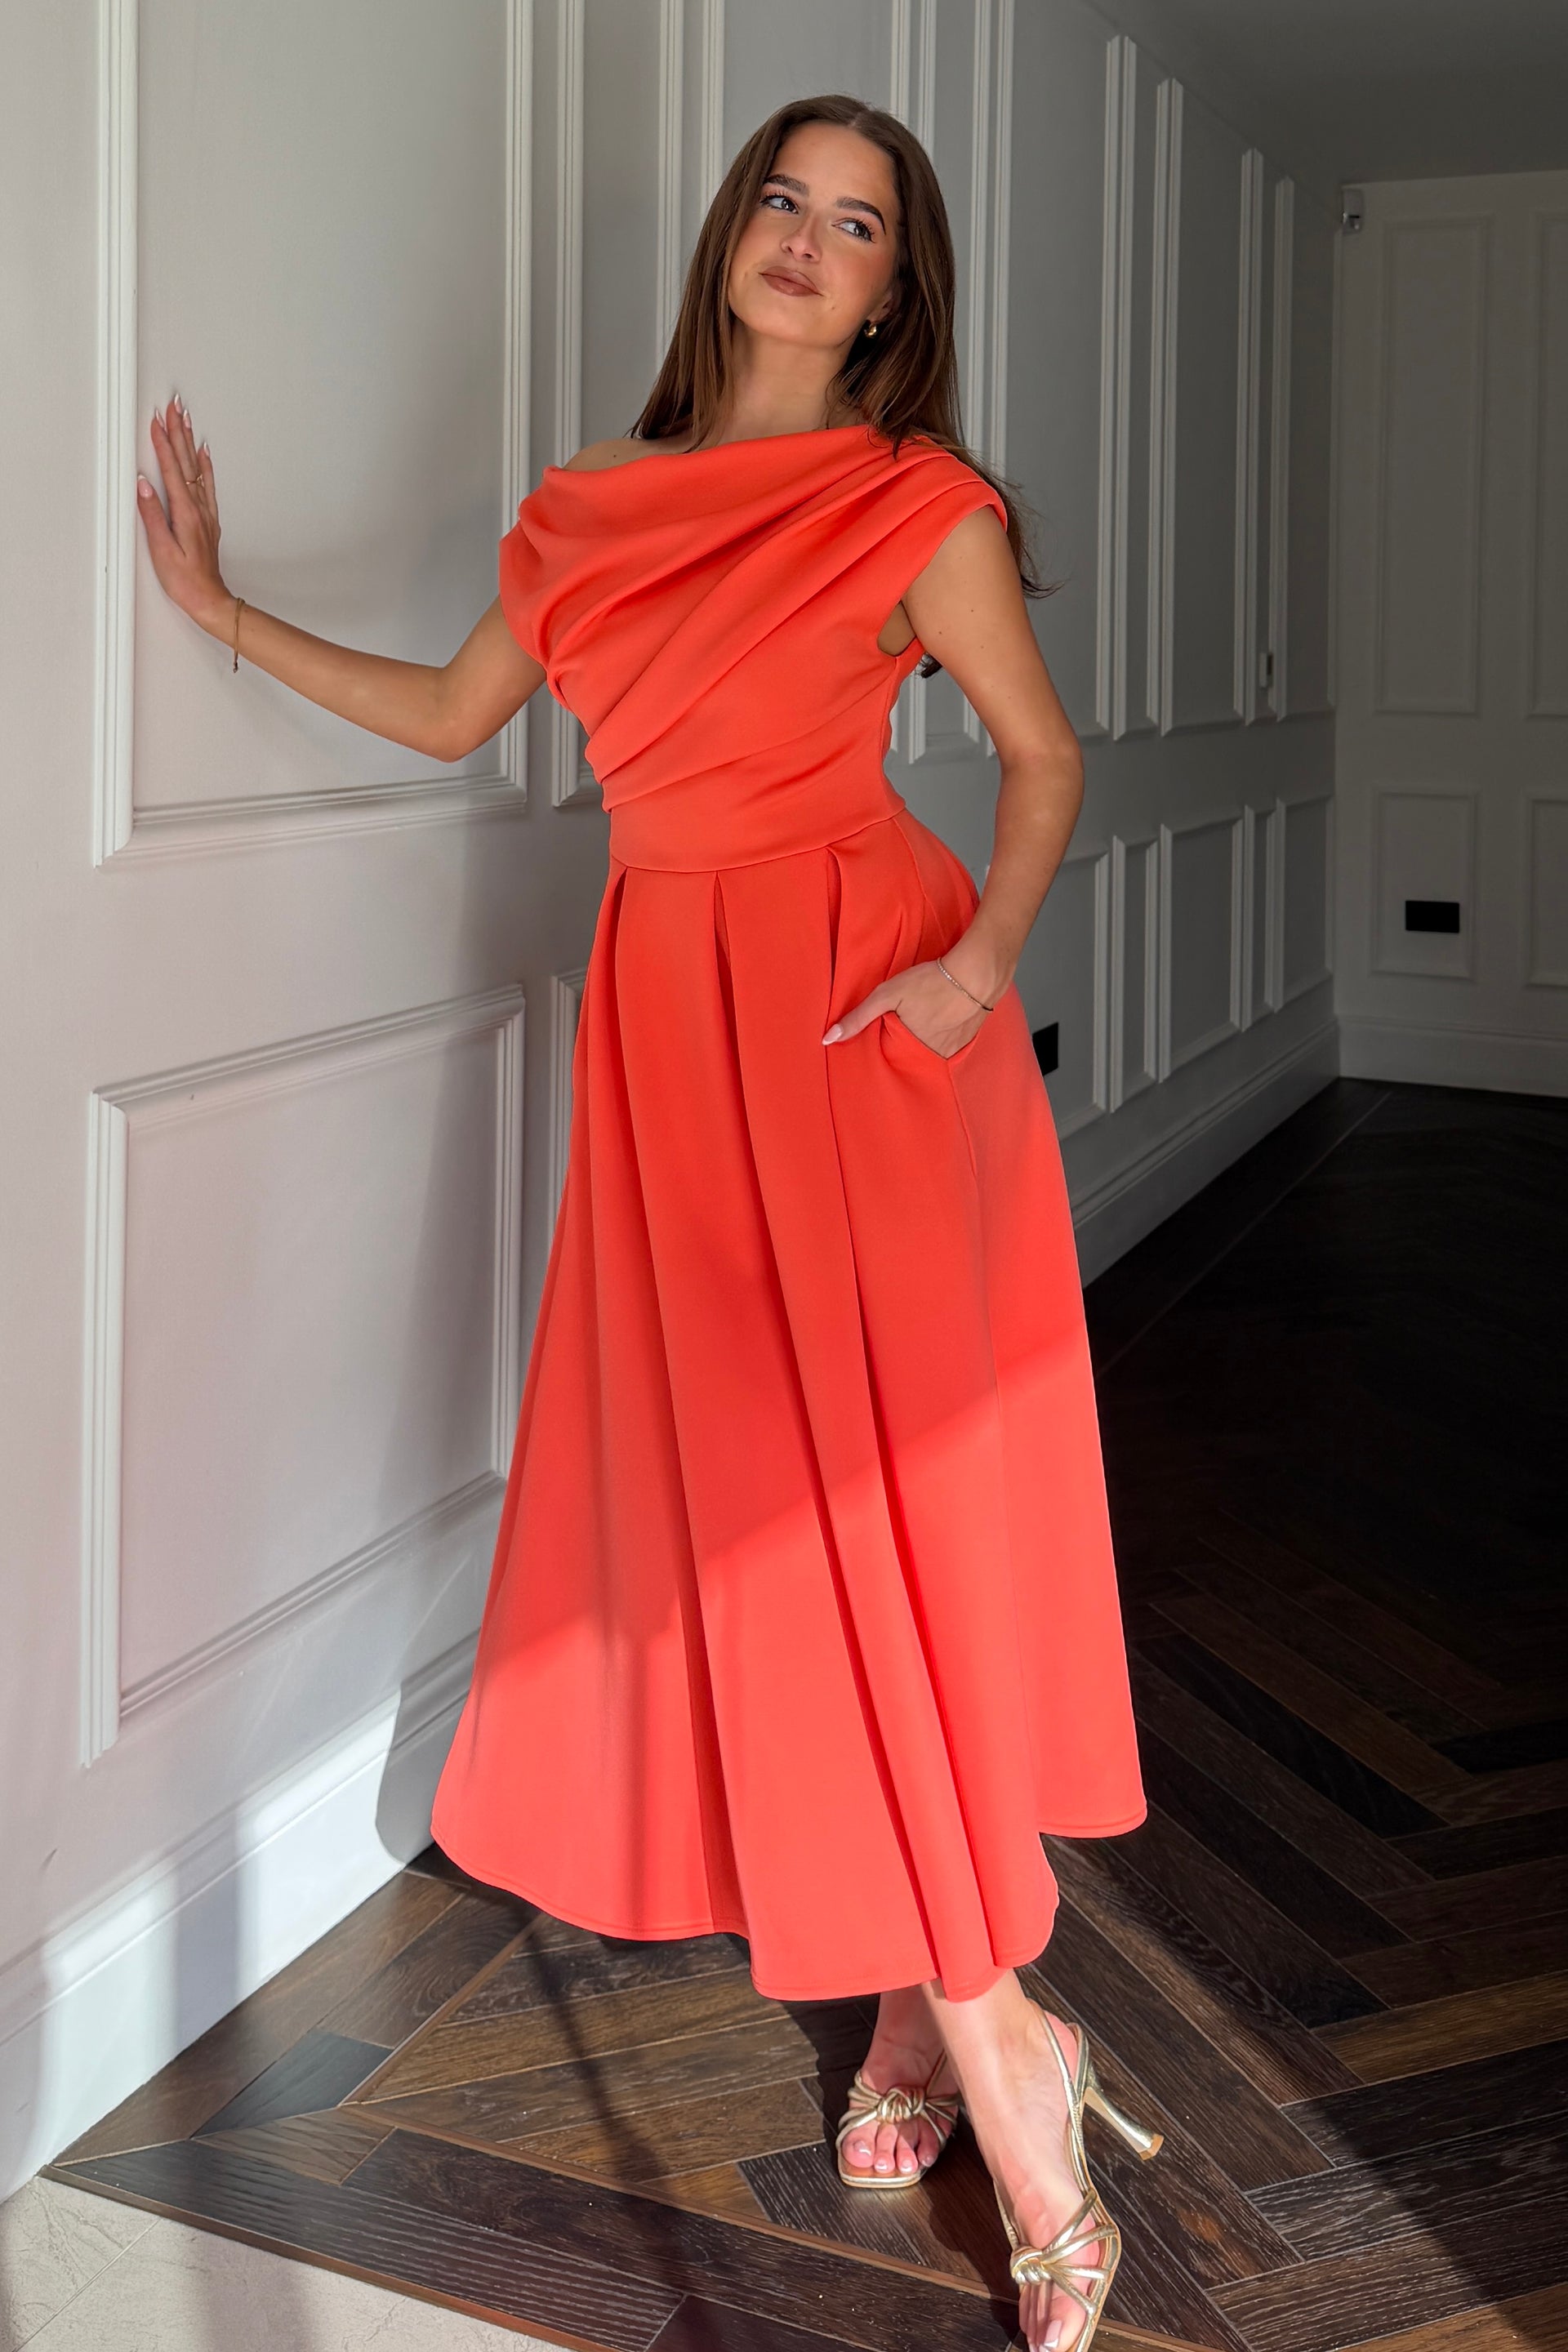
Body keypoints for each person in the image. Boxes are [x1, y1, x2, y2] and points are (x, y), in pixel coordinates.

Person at [136, 91, 1161, 2352]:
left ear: (900, 288)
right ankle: (941, 2021)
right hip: (675, 1030)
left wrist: (979, 960)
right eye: (783, 206)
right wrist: (219, 615)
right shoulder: (585, 519)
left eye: (859, 224)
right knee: (777, 1541)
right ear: (730, 248)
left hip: (866, 1034)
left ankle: (999, 2053)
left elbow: (1043, 754)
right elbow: (444, 718)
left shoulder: (918, 504)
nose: (810, 244)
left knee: (875, 1531)